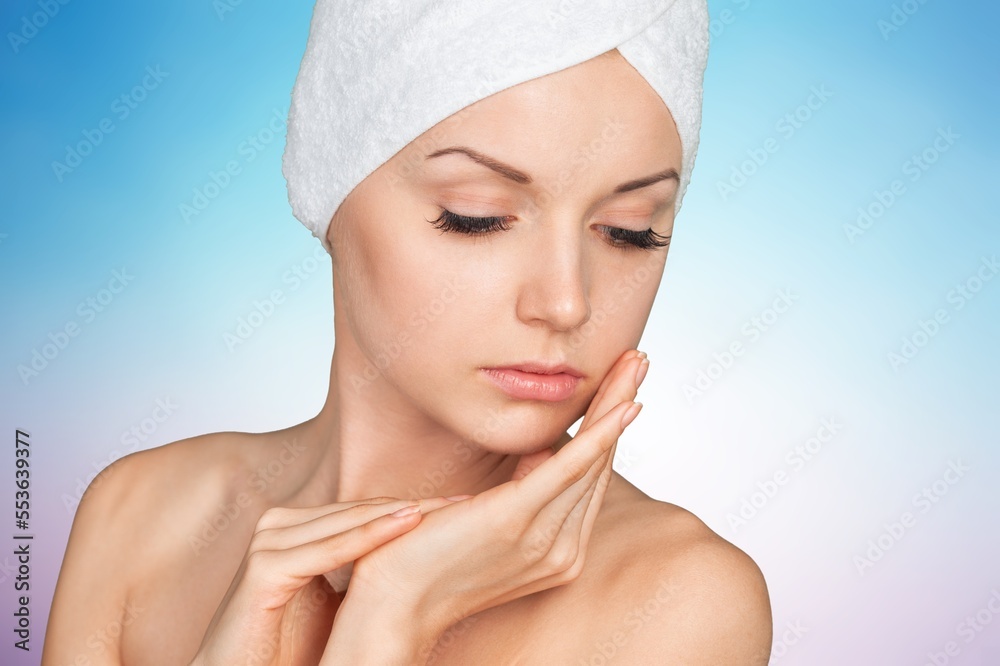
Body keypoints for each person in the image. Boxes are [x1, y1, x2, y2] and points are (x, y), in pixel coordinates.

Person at [44, 3, 772, 665]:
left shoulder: (680, 600)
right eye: (476, 217)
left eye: (629, 231)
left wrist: (395, 609)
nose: (565, 302)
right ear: (331, 195)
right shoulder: (141, 515)